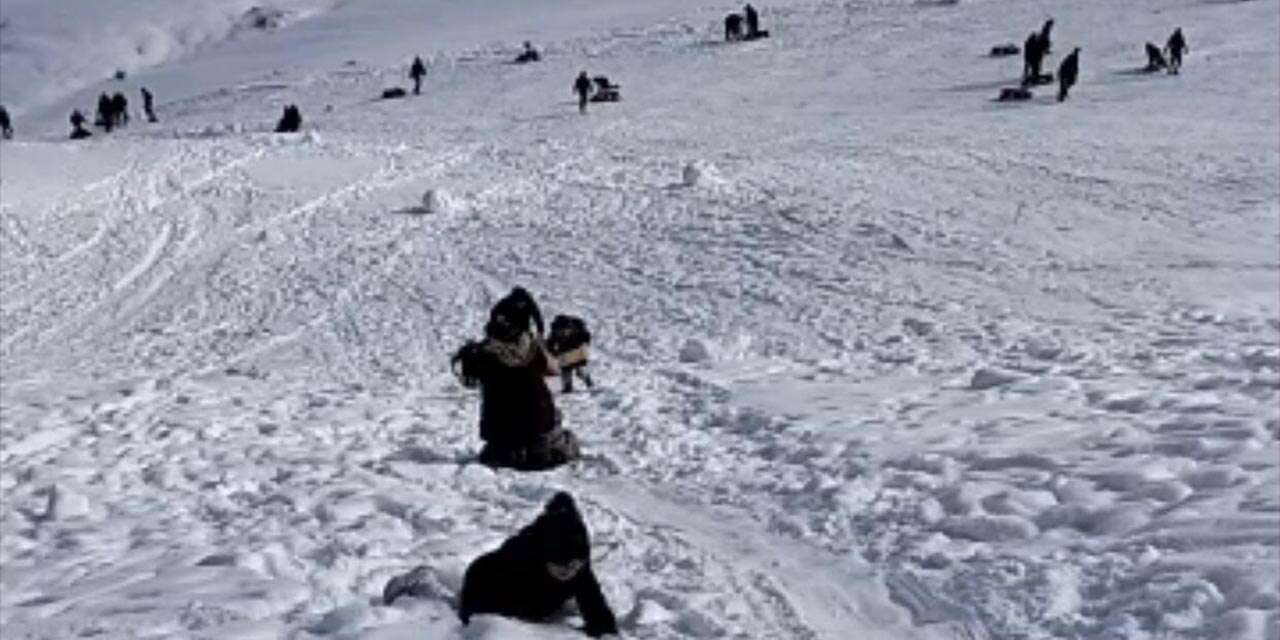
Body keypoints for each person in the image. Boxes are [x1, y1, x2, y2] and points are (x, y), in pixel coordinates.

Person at [457, 492, 618, 637]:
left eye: (574, 566)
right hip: (502, 592)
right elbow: (479, 613)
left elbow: (597, 610)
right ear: (545, 559)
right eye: (560, 566)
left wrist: (604, 631)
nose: (567, 572)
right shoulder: (516, 559)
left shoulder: (579, 570)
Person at [451, 312, 578, 471]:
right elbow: (554, 369)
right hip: (539, 439)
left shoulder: (481, 355)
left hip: (499, 444)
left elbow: (466, 375)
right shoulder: (531, 351)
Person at [547, 315, 594, 393]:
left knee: (580, 370)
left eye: (565, 331)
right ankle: (567, 386)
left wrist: (584, 344)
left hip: (577, 349)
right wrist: (553, 352)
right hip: (564, 351)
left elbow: (587, 337)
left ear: (570, 328)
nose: (562, 333)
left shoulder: (578, 330)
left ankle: (587, 380)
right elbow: (549, 344)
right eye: (560, 331)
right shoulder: (554, 332)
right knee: (565, 370)